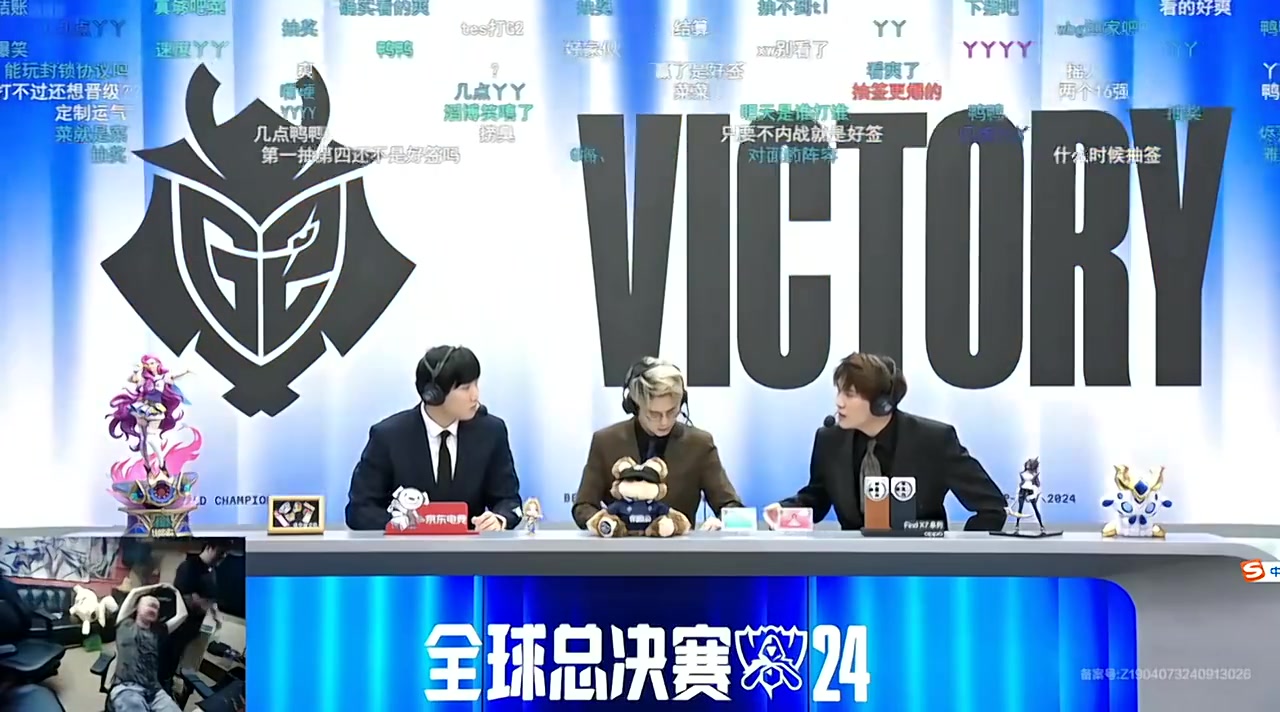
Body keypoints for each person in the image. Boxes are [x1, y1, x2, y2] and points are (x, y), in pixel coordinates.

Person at [765, 352, 1006, 531]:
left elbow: (992, 507)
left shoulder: (934, 440)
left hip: (921, 570)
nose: (839, 402)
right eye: (838, 391)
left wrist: (957, 556)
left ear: (882, 404)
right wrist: (784, 512)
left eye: (849, 394)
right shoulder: (829, 440)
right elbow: (818, 498)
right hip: (854, 569)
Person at [346, 345, 523, 531]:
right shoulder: (388, 436)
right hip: (406, 548)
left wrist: (499, 519)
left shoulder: (491, 432)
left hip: (470, 548)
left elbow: (508, 501)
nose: (475, 396)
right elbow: (359, 510)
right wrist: (407, 525)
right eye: (465, 388)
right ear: (434, 394)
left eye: (476, 384)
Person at [573, 357, 743, 530]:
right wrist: (603, 525)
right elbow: (583, 506)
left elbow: (732, 506)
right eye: (654, 414)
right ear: (635, 406)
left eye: (672, 411)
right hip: (621, 545)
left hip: (680, 545)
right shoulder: (606, 442)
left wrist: (723, 522)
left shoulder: (699, 444)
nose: (664, 421)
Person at [110, 584, 189, 712]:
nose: (154, 608)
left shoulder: (159, 631)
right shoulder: (124, 624)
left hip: (155, 691)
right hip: (127, 688)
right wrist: (158, 586)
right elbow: (134, 592)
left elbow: (183, 615)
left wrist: (176, 591)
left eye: (156, 607)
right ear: (137, 607)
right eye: (150, 605)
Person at [161, 541, 227, 692]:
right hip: (178, 626)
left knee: (176, 660)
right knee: (166, 660)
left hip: (192, 628)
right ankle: (160, 688)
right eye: (221, 552)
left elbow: (211, 598)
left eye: (225, 554)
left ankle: (168, 683)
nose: (223, 557)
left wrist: (216, 611)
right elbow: (187, 598)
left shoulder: (212, 571)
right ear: (210, 547)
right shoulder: (189, 567)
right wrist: (206, 605)